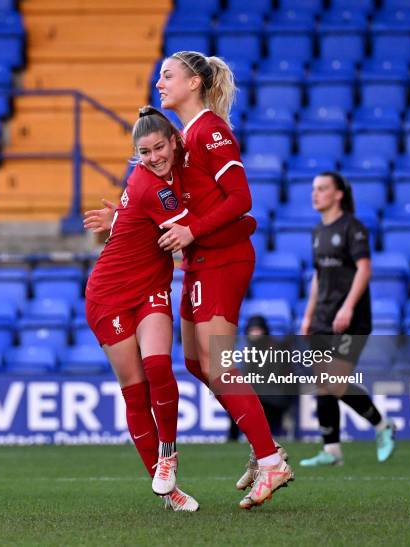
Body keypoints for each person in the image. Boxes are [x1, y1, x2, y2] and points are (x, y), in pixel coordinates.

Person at [84, 106, 256, 512]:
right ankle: (168, 489)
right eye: (144, 152)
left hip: (150, 289)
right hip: (108, 294)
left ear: (175, 143)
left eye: (159, 147)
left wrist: (120, 216)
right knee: (135, 392)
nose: (153, 157)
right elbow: (194, 232)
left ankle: (169, 455)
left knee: (159, 367)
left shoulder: (165, 180)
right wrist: (247, 227)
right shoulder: (153, 186)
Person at [154, 50, 293, 509]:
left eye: (168, 75)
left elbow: (241, 198)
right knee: (197, 363)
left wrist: (191, 229)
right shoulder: (187, 134)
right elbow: (201, 201)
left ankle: (271, 460)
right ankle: (262, 446)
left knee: (219, 365)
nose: (160, 83)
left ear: (194, 82)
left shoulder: (211, 130)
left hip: (224, 257)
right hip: (200, 259)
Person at [299, 171, 396, 467]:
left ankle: (382, 425)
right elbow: (318, 277)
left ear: (338, 194)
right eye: (314, 189)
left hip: (350, 318)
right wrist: (307, 316)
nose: (316, 194)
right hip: (322, 317)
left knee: (335, 381)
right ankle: (332, 451)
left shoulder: (353, 227)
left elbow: (365, 269)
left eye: (322, 189)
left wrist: (347, 308)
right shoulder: (318, 232)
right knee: (323, 383)